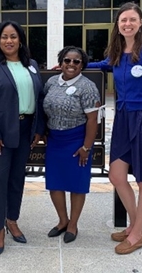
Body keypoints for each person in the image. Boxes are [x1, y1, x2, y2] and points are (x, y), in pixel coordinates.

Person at [87, 2, 142, 254]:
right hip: (123, 118)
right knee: (117, 175)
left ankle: (135, 235)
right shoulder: (118, 51)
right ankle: (136, 225)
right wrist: (73, 66)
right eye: (123, 20)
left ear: (140, 22)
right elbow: (102, 65)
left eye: (132, 19)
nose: (127, 24)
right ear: (118, 25)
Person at [0, 20, 45, 256]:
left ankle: (12, 220)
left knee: (17, 179)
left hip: (26, 130)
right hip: (2, 134)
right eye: (4, 36)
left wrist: (38, 129)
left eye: (13, 36)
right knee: (0, 180)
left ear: (20, 39)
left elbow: (40, 97)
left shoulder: (32, 65)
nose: (9, 41)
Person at [43, 46, 101, 244]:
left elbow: (93, 120)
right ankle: (62, 221)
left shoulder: (88, 87)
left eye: (76, 61)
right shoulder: (51, 82)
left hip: (77, 141)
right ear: (61, 62)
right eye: (67, 60)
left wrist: (86, 147)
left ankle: (73, 224)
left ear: (82, 64)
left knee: (77, 185)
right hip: (55, 140)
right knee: (55, 183)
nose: (71, 64)